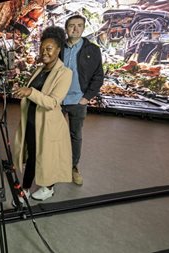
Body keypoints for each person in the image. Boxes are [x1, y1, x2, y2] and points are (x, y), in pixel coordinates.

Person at [12, 26, 72, 203]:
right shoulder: (40, 69)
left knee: (47, 157)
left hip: (49, 124)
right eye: (42, 48)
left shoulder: (65, 73)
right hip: (31, 121)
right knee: (32, 155)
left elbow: (53, 102)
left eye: (49, 48)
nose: (44, 51)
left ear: (58, 50)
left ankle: (49, 188)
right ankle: (25, 189)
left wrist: (30, 92)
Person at [61, 15, 104, 185]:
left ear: (84, 28)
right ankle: (52, 164)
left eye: (79, 25)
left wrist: (86, 98)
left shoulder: (92, 50)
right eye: (71, 25)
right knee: (51, 134)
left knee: (75, 135)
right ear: (66, 28)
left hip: (78, 101)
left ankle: (73, 167)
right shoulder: (59, 47)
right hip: (57, 100)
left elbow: (98, 76)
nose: (75, 29)